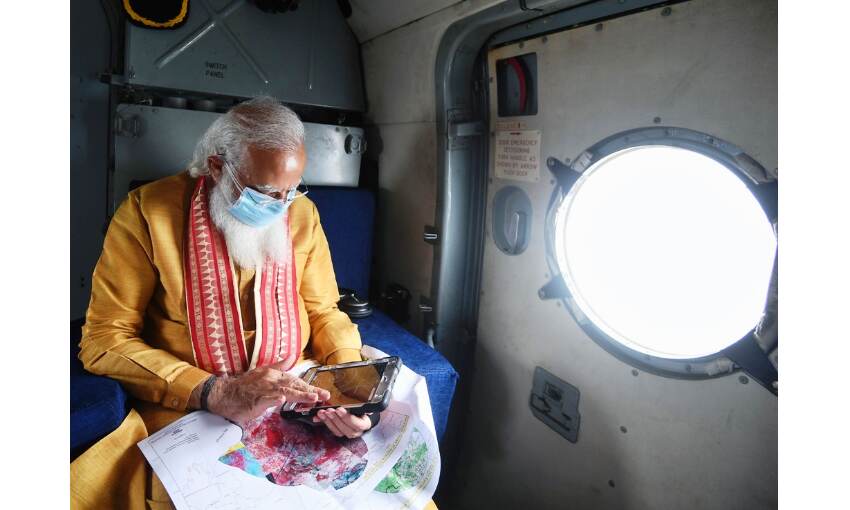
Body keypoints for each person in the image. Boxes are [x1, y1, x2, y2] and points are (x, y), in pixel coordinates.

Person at [71, 96, 380, 509]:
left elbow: (324, 311)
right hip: (193, 405)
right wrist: (213, 391)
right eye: (266, 193)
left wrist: (349, 389)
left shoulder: (302, 214)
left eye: (290, 192)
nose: (280, 207)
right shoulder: (147, 212)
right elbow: (104, 339)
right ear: (217, 167)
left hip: (296, 389)